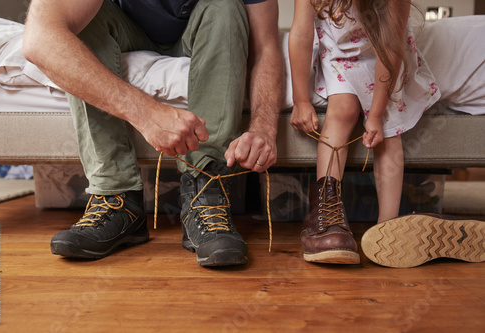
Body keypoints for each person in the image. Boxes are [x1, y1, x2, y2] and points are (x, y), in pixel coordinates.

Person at [22, 0, 283, 267]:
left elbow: (266, 47)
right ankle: (116, 196)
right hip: (124, 29)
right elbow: (40, 38)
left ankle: (206, 190)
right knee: (82, 23)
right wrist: (146, 114)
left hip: (204, 26)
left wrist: (264, 128)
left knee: (225, 5)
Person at [288, 0, 440, 264]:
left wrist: (377, 115)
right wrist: (301, 100)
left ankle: (387, 227)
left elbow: (390, 47)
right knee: (342, 111)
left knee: (390, 131)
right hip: (339, 53)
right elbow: (301, 33)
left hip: (383, 58)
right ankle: (328, 210)